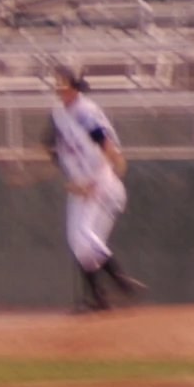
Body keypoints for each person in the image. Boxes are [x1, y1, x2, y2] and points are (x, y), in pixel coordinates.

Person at [43, 70, 144, 311]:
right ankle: (98, 298)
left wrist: (115, 159)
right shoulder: (58, 114)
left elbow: (102, 139)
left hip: (98, 179)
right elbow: (51, 147)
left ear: (75, 87)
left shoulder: (84, 109)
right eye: (57, 84)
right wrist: (70, 179)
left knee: (83, 238)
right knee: (78, 244)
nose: (59, 88)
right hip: (81, 183)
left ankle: (118, 280)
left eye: (64, 83)